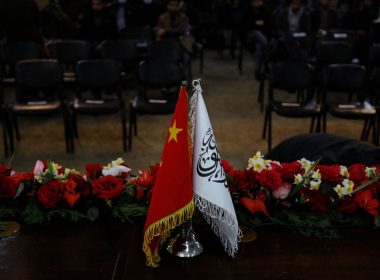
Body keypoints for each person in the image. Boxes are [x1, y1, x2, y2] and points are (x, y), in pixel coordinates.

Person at [241, 0, 272, 80]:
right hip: (249, 37)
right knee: (257, 33)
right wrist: (257, 24)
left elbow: (268, 25)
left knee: (259, 46)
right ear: (252, 2)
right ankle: (268, 67)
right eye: (256, 1)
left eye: (260, 1)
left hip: (262, 38)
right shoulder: (247, 11)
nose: (259, 3)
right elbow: (245, 27)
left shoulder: (265, 11)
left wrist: (255, 23)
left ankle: (257, 72)